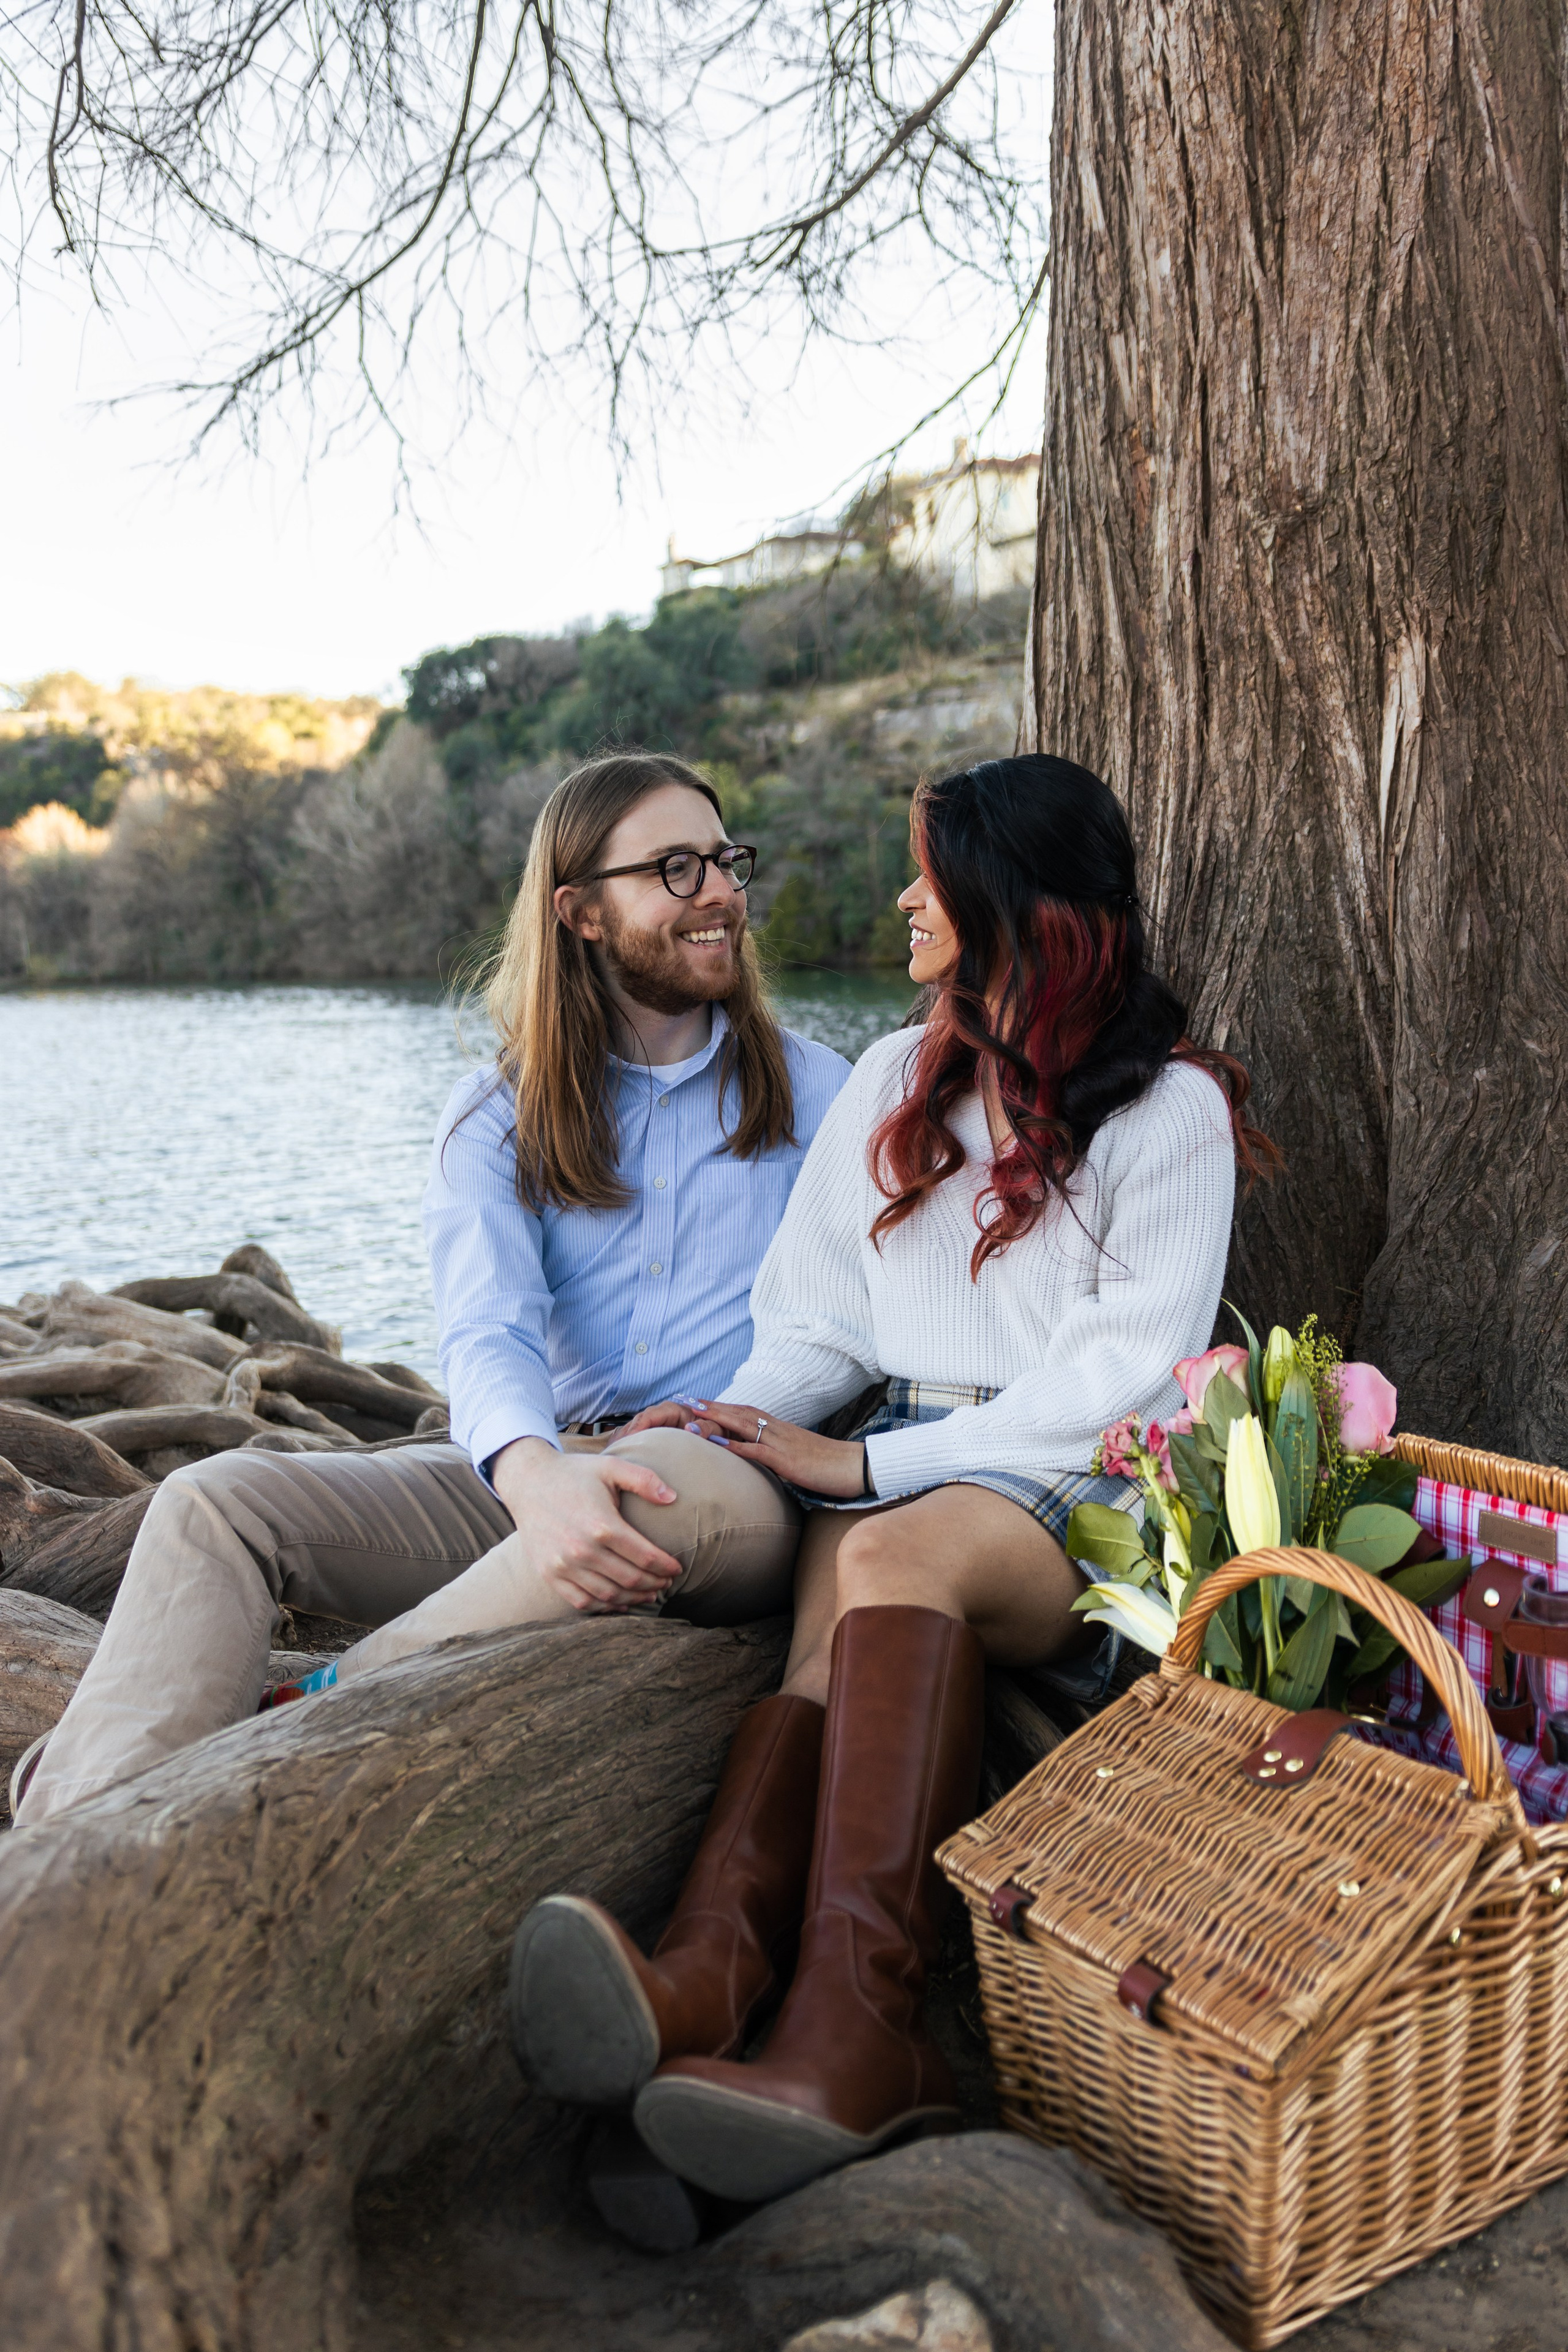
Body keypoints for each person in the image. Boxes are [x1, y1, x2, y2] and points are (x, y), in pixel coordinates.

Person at [510, 752, 1277, 2199]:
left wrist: (868, 1460)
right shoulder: (888, 1077)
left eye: (929, 878)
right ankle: (707, 1981)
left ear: (1011, 903)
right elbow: (816, 1324)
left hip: (1078, 1486)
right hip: (897, 1463)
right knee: (827, 1618)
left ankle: (864, 2026)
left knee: (877, 1550)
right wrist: (730, 1422)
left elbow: (1116, 1381)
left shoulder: (1165, 1109)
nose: (904, 903)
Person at [13, 753, 849, 1826]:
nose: (720, 892)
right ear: (581, 913)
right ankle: (73, 1837)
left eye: (726, 861)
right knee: (214, 1501)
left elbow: (863, 1324)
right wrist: (535, 1473)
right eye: (675, 869)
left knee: (661, 1479)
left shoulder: (823, 1094)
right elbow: (489, 1330)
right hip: (554, 1462)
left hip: (733, 1484)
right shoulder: (497, 1114)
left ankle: (319, 1704)